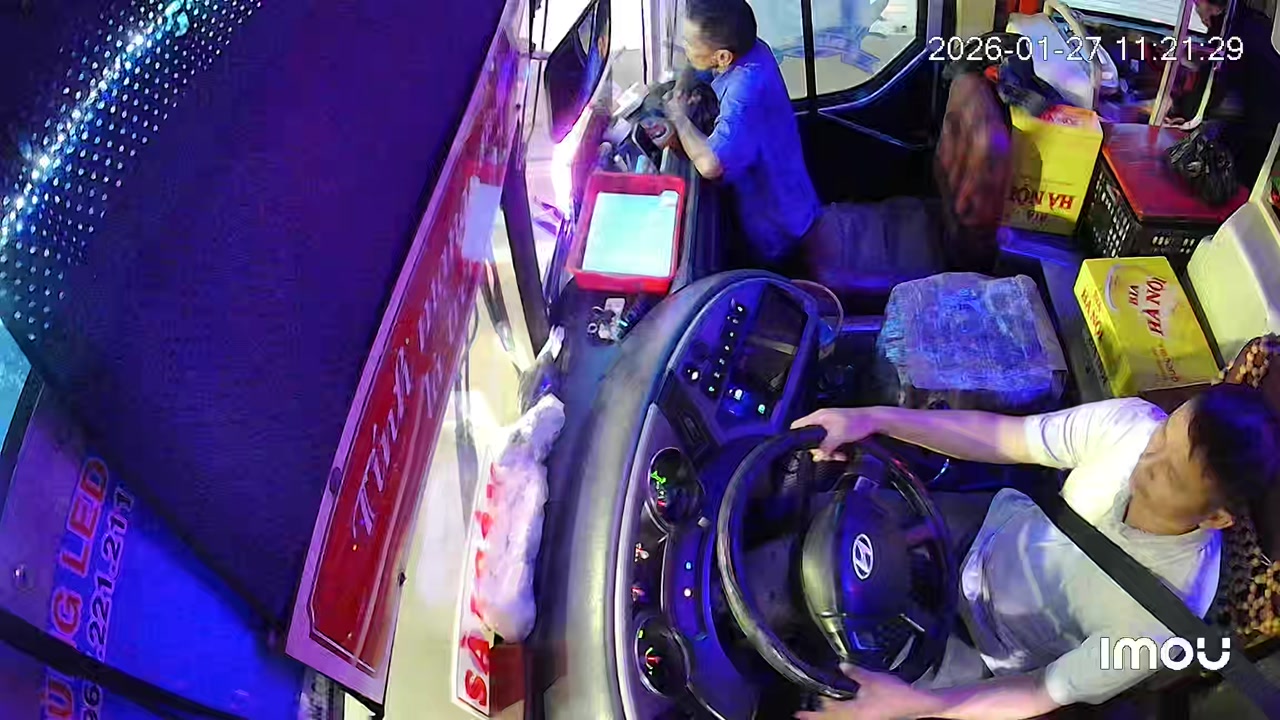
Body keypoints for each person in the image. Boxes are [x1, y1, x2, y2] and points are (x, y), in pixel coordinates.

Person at [790, 383, 1280, 720]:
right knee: (805, 516)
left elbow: (1042, 690)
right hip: (977, 532)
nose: (1147, 457)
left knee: (833, 700)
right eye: (1164, 432)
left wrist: (917, 706)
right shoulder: (1130, 425)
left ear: (1216, 518)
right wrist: (871, 418)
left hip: (984, 652)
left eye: (1171, 473)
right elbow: (1007, 438)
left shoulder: (1161, 625)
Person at [664, 0, 820, 270]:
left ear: (723, 57)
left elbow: (710, 165)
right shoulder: (750, 48)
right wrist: (681, 88)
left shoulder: (745, 89)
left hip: (776, 223)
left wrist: (678, 117)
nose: (685, 48)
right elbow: (697, 66)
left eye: (689, 43)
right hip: (786, 196)